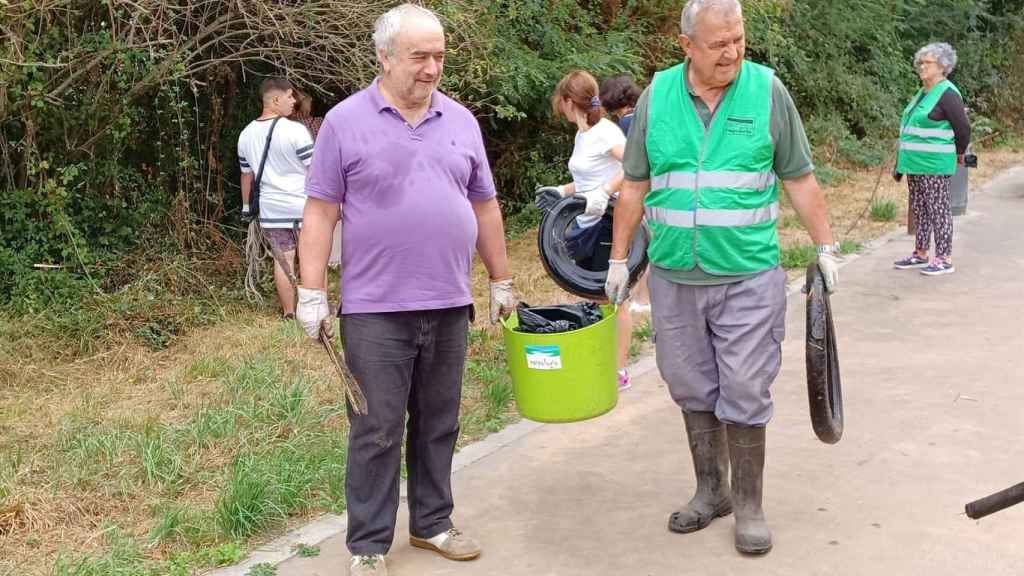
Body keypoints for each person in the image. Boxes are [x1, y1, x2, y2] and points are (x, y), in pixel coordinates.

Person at [605, 0, 840, 555]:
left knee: (744, 387)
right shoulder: (658, 96)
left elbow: (800, 178)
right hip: (674, 276)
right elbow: (635, 185)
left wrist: (826, 247)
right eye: (718, 44)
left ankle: (750, 503)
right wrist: (619, 260)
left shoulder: (766, 91)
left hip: (747, 274)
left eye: (738, 40)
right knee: (689, 384)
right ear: (686, 44)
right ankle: (711, 491)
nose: (732, 52)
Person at [295, 5, 516, 576]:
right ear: (385, 56)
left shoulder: (461, 120)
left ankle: (432, 523)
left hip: (448, 301)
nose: (432, 68)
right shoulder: (345, 122)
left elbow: (484, 204)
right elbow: (320, 213)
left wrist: (501, 278)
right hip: (375, 310)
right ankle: (368, 544)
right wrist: (311, 291)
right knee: (376, 427)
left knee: (440, 419)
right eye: (420, 56)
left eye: (439, 56)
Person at [535, 69, 636, 391]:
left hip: (611, 220)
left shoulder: (607, 132)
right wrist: (561, 192)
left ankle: (619, 371)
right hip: (587, 220)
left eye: (558, 102)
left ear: (567, 101)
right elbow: (587, 179)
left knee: (613, 297)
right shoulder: (584, 134)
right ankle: (602, 361)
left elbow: (636, 164)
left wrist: (606, 191)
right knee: (596, 296)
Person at [237, 77, 315, 318]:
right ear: (275, 99)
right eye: (290, 96)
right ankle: (314, 310)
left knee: (283, 261)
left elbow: (246, 177)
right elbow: (315, 170)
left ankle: (289, 312)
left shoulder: (245, 134)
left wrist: (246, 207)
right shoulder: (295, 130)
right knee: (312, 257)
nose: (294, 101)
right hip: (304, 207)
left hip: (271, 211)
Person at [893, 42, 970, 276]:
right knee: (920, 210)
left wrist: (959, 153)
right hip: (915, 163)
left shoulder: (947, 93)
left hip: (935, 164)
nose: (921, 66)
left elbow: (963, 129)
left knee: (938, 210)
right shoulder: (923, 92)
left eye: (927, 63)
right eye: (920, 62)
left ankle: (944, 258)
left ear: (942, 66)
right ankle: (921, 253)